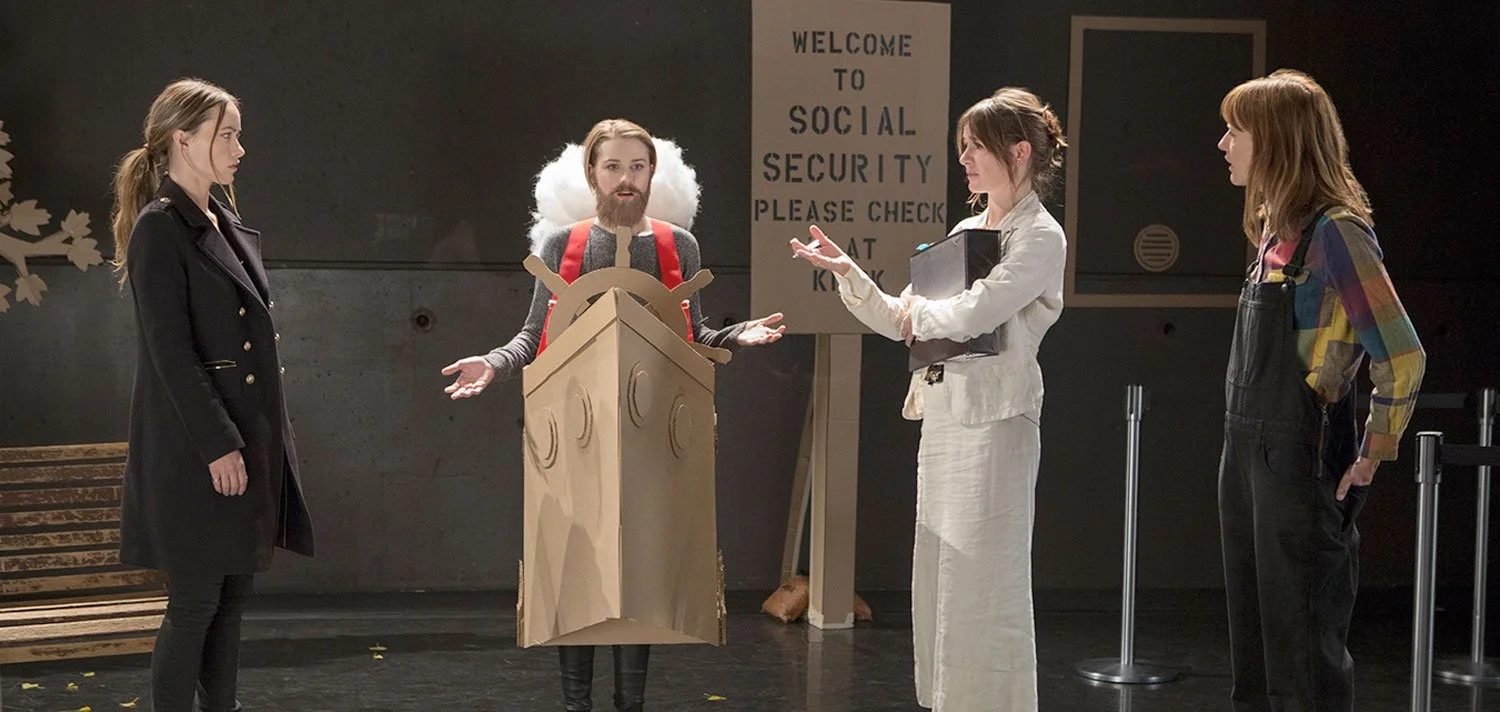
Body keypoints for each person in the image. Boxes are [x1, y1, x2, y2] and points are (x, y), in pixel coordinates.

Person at [441, 118, 784, 712]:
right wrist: (495, 364)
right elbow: (534, 336)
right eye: (613, 167)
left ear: (652, 173)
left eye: (637, 167)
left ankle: (632, 705)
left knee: (640, 572)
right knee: (576, 571)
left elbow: (692, 334)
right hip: (571, 438)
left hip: (651, 438)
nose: (626, 180)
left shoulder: (679, 247)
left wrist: (736, 334)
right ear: (591, 173)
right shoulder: (563, 247)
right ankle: (576, 705)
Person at [790, 87, 1068, 712]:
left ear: (1019, 152)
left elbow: (982, 306)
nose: (964, 158)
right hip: (945, 418)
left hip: (996, 420)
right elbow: (905, 318)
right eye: (962, 147)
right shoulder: (969, 229)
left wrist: (920, 316)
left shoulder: (1041, 236)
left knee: (986, 581)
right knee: (940, 573)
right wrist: (851, 277)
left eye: (976, 147)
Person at [1214, 69, 1425, 712]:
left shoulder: (1336, 234)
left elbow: (1402, 356)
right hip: (1247, 457)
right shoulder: (1273, 240)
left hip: (1299, 459)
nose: (1223, 144)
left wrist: (1371, 454)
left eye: (1235, 131)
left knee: (1303, 654)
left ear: (1275, 141)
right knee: (1256, 653)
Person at [111, 77, 315, 712]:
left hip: (243, 443)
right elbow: (170, 354)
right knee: (197, 601)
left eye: (237, 134)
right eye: (226, 134)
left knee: (229, 604)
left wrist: (248, 445)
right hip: (199, 450)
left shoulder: (223, 223)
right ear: (183, 141)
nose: (239, 149)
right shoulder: (159, 228)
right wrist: (219, 445)